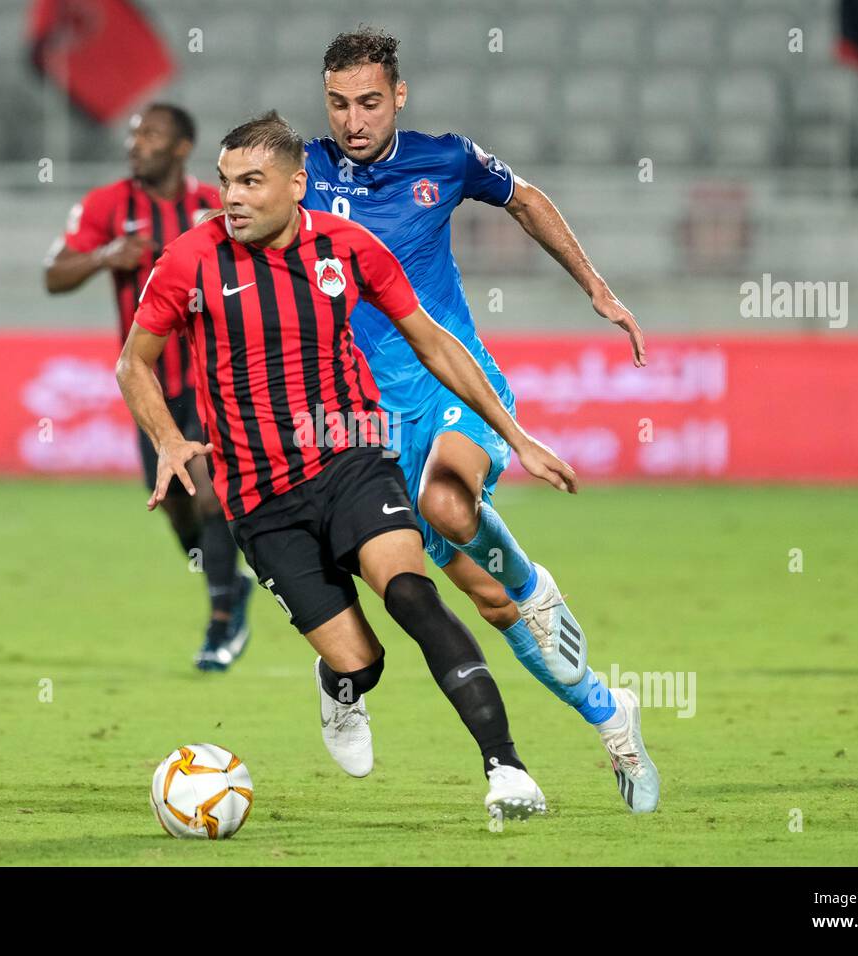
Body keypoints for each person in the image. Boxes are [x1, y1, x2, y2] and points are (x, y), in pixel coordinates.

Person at [117, 111, 578, 820]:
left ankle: (507, 769)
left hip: (352, 458)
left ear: (297, 184)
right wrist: (169, 440)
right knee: (363, 660)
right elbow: (134, 363)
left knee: (414, 598)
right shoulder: (190, 260)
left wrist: (513, 435)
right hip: (260, 497)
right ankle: (342, 684)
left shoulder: (347, 247)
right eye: (224, 182)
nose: (231, 197)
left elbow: (434, 343)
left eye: (250, 181)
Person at [301, 29, 659, 812]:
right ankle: (609, 710)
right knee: (491, 607)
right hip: (372, 424)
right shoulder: (303, 175)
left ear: (398, 96)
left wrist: (595, 288)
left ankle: (533, 590)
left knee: (446, 504)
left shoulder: (447, 158)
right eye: (337, 104)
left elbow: (525, 199)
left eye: (367, 101)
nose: (352, 120)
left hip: (458, 388)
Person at [45, 103, 252, 672]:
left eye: (151, 135)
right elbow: (53, 274)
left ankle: (220, 620)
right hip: (151, 388)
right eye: (134, 133)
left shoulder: (211, 206)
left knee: (211, 495)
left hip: (215, 384)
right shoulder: (107, 206)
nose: (136, 143)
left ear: (182, 147)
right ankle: (227, 581)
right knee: (177, 508)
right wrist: (105, 256)